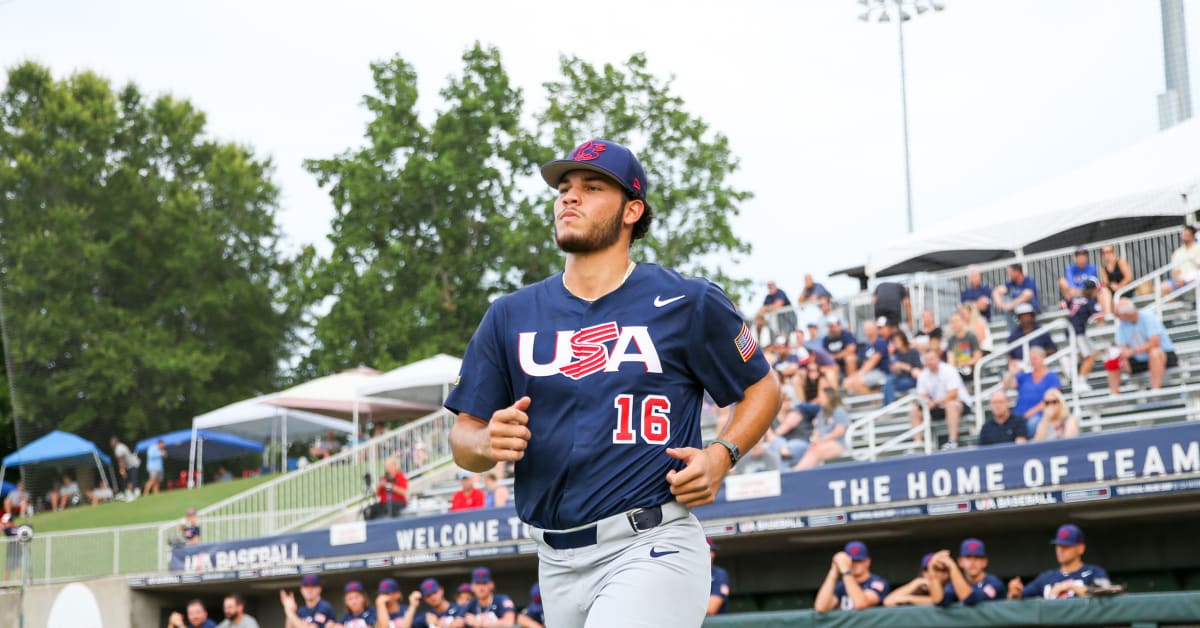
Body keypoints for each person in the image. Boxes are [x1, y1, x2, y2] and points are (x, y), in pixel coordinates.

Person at [446, 138, 778, 627]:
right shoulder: (509, 315)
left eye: (592, 186)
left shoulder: (686, 301)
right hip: (554, 562)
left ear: (632, 210)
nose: (569, 197)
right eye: (564, 187)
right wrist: (484, 439)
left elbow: (763, 388)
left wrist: (721, 454)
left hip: (651, 543)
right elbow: (463, 441)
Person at [1009, 524, 1111, 600]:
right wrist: (1014, 592)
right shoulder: (1046, 578)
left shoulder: (1094, 572)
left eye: (1066, 546)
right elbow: (1017, 598)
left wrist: (1069, 586)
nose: (1061, 550)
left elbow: (1107, 594)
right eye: (1059, 546)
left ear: (1081, 548)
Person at [1108, 298, 1178, 393]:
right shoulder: (1123, 324)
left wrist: (1132, 351)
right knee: (1113, 359)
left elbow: (1154, 343)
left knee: (1154, 352)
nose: (1116, 317)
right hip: (1140, 359)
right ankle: (1114, 394)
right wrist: (1121, 353)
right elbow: (1121, 345)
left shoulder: (1148, 317)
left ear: (1126, 314)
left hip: (1163, 356)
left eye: (1118, 315)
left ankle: (1156, 390)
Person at [909, 348, 971, 450]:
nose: (930, 362)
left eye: (932, 359)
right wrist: (928, 402)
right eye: (927, 360)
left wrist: (934, 402)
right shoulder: (923, 375)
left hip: (959, 404)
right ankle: (918, 443)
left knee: (950, 404)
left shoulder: (949, 370)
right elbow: (921, 395)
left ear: (938, 359)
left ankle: (953, 441)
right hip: (937, 406)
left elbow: (953, 394)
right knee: (914, 411)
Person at [814, 541, 889, 612]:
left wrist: (846, 571)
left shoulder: (878, 582)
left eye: (859, 560)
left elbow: (861, 604)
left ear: (867, 561)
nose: (854, 564)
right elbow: (820, 607)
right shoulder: (841, 586)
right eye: (851, 561)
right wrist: (833, 572)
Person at [928, 539, 1005, 607]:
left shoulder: (994, 583)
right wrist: (932, 570)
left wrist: (952, 567)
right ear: (960, 562)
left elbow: (969, 599)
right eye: (968, 557)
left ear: (984, 562)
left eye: (977, 557)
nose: (972, 562)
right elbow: (940, 601)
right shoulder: (955, 585)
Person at [1004, 346, 1061, 436]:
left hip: (1040, 416)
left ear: (1042, 358)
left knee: (1032, 424)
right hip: (1019, 415)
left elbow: (1053, 399)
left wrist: (1030, 413)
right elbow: (1007, 385)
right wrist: (1011, 372)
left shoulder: (1051, 377)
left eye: (1035, 358)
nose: (1032, 361)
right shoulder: (1025, 376)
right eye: (1031, 359)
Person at [793, 387, 850, 469]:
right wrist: (816, 440)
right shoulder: (822, 412)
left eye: (821, 396)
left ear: (828, 397)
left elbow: (839, 431)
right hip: (823, 443)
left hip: (838, 443)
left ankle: (796, 473)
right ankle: (797, 472)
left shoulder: (839, 411)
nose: (819, 399)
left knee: (816, 451)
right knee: (809, 450)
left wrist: (821, 441)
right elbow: (817, 430)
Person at [1065, 278, 1104, 389]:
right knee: (1090, 356)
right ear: (1093, 290)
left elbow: (1062, 304)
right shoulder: (1090, 301)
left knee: (1094, 352)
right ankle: (1080, 381)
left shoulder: (1076, 299)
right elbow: (1100, 319)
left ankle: (1073, 366)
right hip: (1078, 332)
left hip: (1072, 330)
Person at [843, 321, 890, 395]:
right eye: (866, 329)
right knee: (847, 382)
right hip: (869, 372)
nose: (867, 331)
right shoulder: (867, 345)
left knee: (857, 382)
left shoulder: (880, 342)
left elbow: (873, 361)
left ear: (875, 329)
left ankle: (875, 399)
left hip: (881, 372)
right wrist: (856, 374)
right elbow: (865, 362)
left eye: (869, 329)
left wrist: (859, 374)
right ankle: (873, 396)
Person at [994, 264, 1040, 333]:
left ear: (1017, 272)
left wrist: (1011, 305)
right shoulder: (1010, 283)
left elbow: (1028, 295)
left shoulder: (1028, 281)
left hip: (1030, 311)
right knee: (1006, 302)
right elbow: (997, 291)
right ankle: (1013, 333)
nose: (1008, 275)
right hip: (1016, 312)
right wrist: (999, 302)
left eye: (1009, 272)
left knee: (1022, 307)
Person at [883, 331, 921, 405]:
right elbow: (893, 371)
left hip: (911, 380)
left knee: (889, 383)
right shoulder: (895, 354)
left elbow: (918, 370)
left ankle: (889, 406)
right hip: (899, 379)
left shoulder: (913, 352)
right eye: (894, 341)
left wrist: (904, 366)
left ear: (903, 340)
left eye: (898, 340)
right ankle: (890, 405)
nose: (896, 343)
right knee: (889, 381)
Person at [1162, 225, 1200, 296]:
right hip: (1180, 281)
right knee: (1162, 287)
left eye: (1186, 234)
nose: (1184, 236)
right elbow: (1175, 271)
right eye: (1183, 234)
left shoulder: (1198, 248)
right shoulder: (1178, 252)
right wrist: (1178, 280)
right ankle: (1179, 307)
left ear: (1193, 235)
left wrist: (1186, 280)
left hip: (1194, 279)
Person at [944, 312, 982, 384]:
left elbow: (977, 357)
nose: (954, 324)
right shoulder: (951, 340)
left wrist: (964, 363)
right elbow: (950, 360)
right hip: (958, 370)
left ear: (963, 321)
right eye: (952, 322)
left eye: (957, 321)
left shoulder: (971, 336)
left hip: (971, 369)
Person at [1098, 244, 1132, 313]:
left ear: (1113, 252)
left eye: (1108, 252)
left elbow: (1128, 277)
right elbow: (1106, 283)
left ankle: (1109, 314)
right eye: (1103, 252)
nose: (1106, 254)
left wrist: (1119, 286)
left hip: (1125, 289)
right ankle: (1108, 315)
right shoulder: (1103, 268)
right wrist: (1111, 285)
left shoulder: (1120, 262)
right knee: (1103, 292)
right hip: (1113, 291)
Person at [706, 538, 730, 615]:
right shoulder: (689, 574)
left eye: (712, 551)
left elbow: (711, 609)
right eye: (707, 551)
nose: (712, 555)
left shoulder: (719, 574)